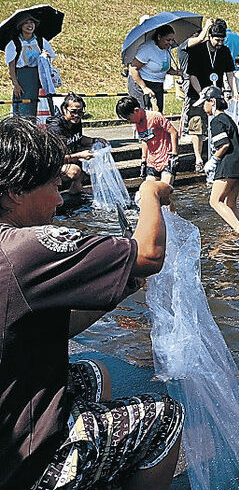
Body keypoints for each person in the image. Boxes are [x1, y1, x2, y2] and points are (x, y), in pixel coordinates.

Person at [0, 116, 183, 490]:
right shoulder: (25, 249)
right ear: (15, 192)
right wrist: (150, 192)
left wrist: (123, 282)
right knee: (164, 417)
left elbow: (52, 326)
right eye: (52, 185)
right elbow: (149, 254)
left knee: (92, 374)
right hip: (16, 465)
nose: (59, 198)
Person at [182, 22, 236, 172]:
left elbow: (230, 73)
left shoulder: (224, 51)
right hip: (197, 94)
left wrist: (234, 91)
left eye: (222, 40)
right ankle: (198, 158)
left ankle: (216, 155)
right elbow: (192, 76)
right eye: (216, 40)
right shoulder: (197, 50)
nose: (219, 43)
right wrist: (202, 93)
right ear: (210, 37)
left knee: (218, 124)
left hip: (216, 94)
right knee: (197, 126)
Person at [199, 86, 239, 234]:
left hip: (228, 164)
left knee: (215, 201)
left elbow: (224, 144)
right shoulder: (228, 118)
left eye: (205, 103)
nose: (203, 107)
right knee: (231, 204)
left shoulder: (216, 121)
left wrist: (213, 160)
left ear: (212, 102)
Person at [47, 93, 106, 194]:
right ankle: (52, 192)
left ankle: (76, 189)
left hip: (67, 157)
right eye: (73, 111)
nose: (77, 115)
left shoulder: (75, 121)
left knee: (94, 149)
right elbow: (57, 157)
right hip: (50, 165)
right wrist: (80, 155)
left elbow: (78, 138)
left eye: (80, 112)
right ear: (64, 109)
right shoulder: (55, 127)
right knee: (75, 171)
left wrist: (95, 140)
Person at [116, 96, 178, 186]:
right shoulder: (137, 123)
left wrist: (174, 155)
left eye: (129, 118)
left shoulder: (155, 117)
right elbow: (144, 140)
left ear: (136, 110)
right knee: (148, 189)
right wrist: (143, 160)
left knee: (164, 189)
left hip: (166, 159)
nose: (129, 122)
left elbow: (174, 132)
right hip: (152, 162)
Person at [5, 12, 56, 117]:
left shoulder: (40, 41)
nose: (30, 25)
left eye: (32, 22)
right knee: (25, 108)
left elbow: (49, 57)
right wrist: (16, 85)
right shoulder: (14, 43)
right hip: (24, 77)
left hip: (40, 75)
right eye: (26, 23)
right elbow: (11, 66)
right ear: (21, 26)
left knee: (43, 103)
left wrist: (46, 56)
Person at [128, 24, 183, 113]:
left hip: (158, 84)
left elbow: (164, 68)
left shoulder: (167, 49)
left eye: (172, 40)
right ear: (159, 37)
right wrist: (144, 87)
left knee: (158, 113)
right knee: (144, 114)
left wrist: (176, 72)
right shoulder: (147, 49)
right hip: (141, 83)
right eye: (168, 40)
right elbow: (133, 68)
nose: (171, 43)